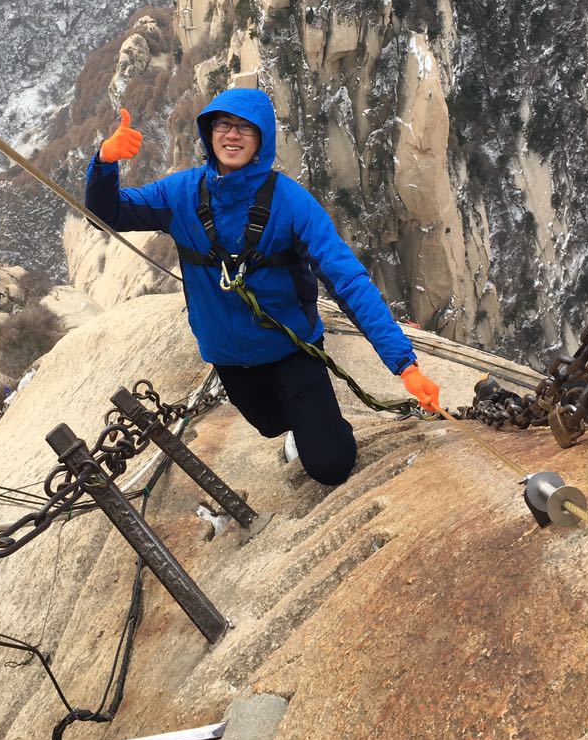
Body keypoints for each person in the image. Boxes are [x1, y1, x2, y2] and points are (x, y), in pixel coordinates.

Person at [86, 86, 441, 486]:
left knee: (331, 464)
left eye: (245, 128)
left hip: (292, 348)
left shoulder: (291, 203)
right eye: (223, 125)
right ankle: (303, 426)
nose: (232, 135)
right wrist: (104, 163)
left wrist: (403, 363)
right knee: (270, 425)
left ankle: (324, 428)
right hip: (229, 357)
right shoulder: (180, 194)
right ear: (209, 132)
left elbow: (348, 280)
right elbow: (109, 212)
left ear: (261, 141)